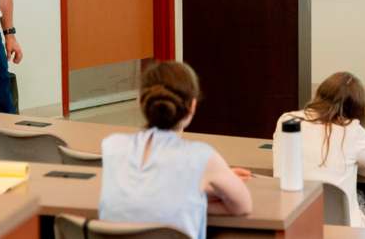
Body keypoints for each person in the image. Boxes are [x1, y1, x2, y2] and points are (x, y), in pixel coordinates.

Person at [100, 62, 252, 239]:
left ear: (139, 101)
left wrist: (192, 190)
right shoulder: (203, 158)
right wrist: (195, 195)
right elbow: (243, 207)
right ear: (193, 106)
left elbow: (140, 197)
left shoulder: (112, 146)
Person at [272, 71, 365, 227]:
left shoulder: (287, 120)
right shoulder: (352, 129)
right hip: (342, 231)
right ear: (356, 108)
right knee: (360, 199)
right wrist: (356, 165)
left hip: (292, 225)